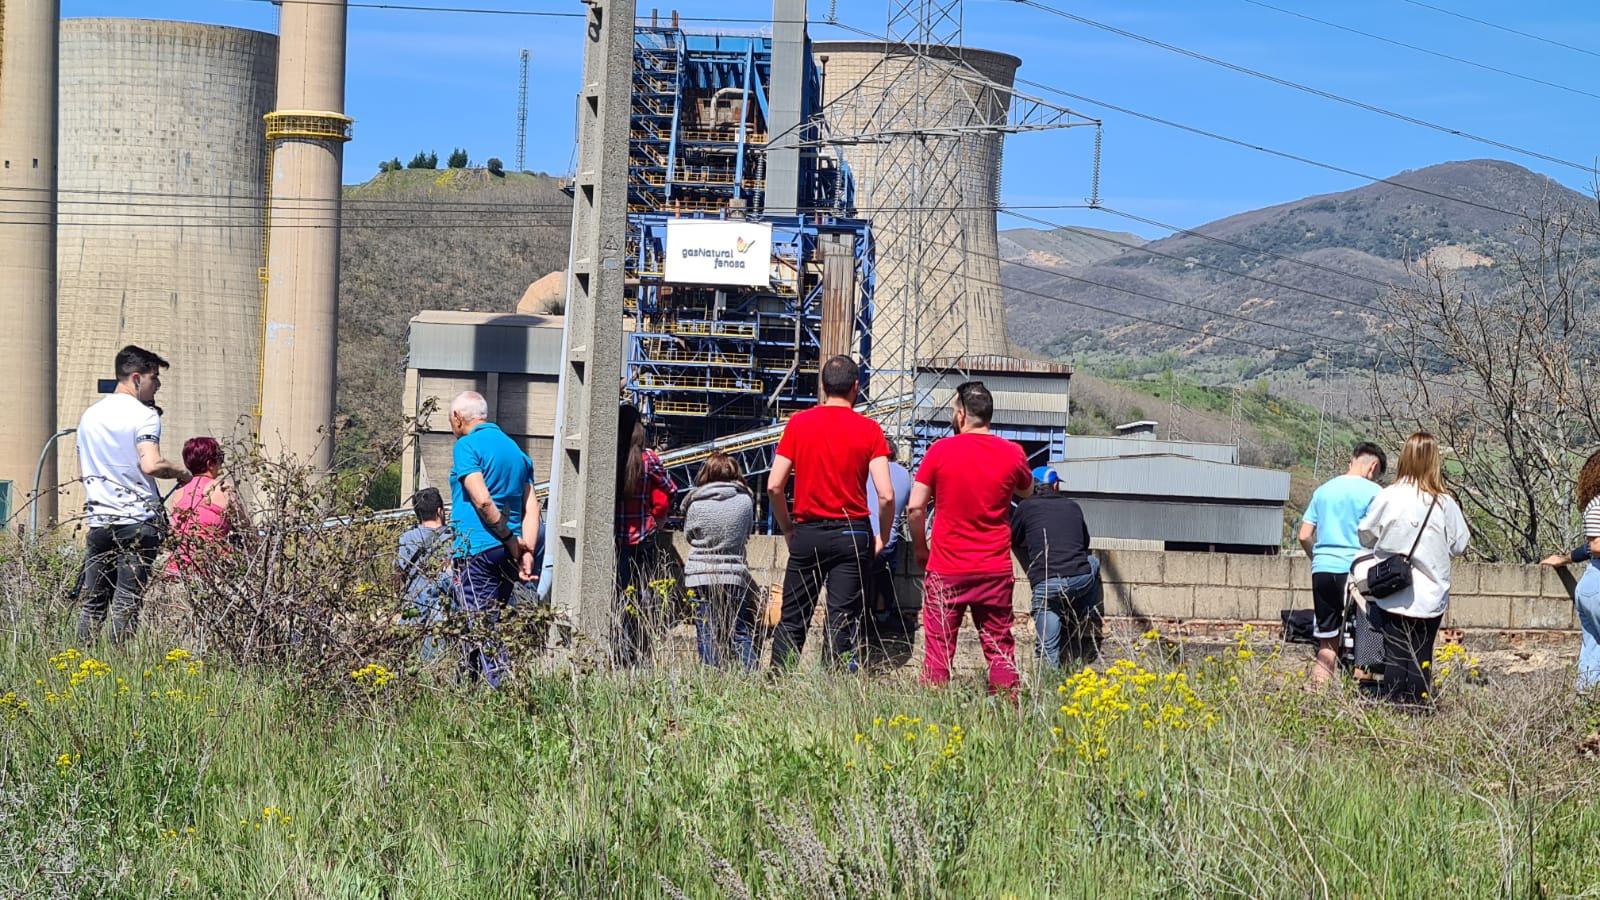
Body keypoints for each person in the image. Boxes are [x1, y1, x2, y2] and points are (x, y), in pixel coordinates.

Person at [767, 355, 895, 671]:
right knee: (843, 618)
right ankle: (836, 690)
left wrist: (787, 529)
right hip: (852, 533)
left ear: (822, 386)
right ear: (856, 387)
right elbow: (886, 494)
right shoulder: (870, 430)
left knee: (793, 617)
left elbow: (773, 486)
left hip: (807, 533)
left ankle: (775, 687)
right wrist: (884, 535)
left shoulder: (798, 424)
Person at [907, 381, 1033, 695]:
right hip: (994, 569)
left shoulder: (940, 451)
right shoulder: (1012, 453)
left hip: (946, 569)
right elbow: (1026, 490)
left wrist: (921, 550)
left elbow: (914, 507)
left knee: (937, 653)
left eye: (953, 411)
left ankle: (933, 725)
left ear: (962, 415)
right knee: (1000, 649)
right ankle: (1006, 719)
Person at [76, 345, 191, 645]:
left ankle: (79, 662)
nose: (159, 385)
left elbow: (81, 474)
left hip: (100, 521)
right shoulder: (145, 415)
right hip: (136, 523)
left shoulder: (89, 416)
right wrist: (181, 473)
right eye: (155, 378)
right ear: (137, 378)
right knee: (126, 602)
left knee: (94, 603)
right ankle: (117, 666)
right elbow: (151, 464)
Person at [1356, 432, 1469, 705]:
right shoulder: (1445, 503)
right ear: (1434, 461)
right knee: (1422, 655)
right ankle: (1419, 708)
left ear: (1404, 457)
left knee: (1395, 654)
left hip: (1392, 589)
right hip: (1431, 594)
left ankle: (1395, 709)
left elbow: (1365, 535)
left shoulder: (1388, 496)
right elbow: (1459, 545)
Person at [448, 391, 539, 687]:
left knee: (484, 626)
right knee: (480, 620)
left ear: (458, 418)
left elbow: (483, 502)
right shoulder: (515, 450)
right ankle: (468, 688)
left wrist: (511, 539)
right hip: (508, 553)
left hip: (477, 548)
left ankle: (503, 691)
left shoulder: (467, 446)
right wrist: (527, 551)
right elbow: (531, 506)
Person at [1297, 442, 1387, 684]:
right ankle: (1362, 702)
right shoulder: (1375, 493)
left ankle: (1319, 696)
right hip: (1357, 574)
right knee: (1365, 644)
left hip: (1323, 569)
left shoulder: (1323, 490)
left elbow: (1304, 535)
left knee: (1327, 642)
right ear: (1373, 467)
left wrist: (1317, 559)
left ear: (1352, 461)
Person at [1011, 465, 1102, 670]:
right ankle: (1078, 615)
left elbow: (1012, 539)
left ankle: (1047, 686)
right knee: (1094, 564)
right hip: (1079, 578)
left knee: (1046, 650)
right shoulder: (1073, 506)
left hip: (1045, 585)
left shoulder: (1025, 507)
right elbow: (1084, 543)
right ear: (1055, 485)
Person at [682, 451, 758, 670]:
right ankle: (750, 676)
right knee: (740, 630)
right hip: (734, 574)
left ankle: (711, 676)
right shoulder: (745, 501)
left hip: (700, 574)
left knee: (706, 630)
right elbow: (747, 533)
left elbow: (689, 534)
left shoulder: (695, 504)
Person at [615, 403, 673, 667]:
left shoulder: (611, 456)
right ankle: (639, 654)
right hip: (643, 538)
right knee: (641, 598)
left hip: (614, 541)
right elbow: (671, 488)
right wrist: (656, 521)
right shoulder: (648, 458)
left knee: (618, 598)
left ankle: (620, 652)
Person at [1539, 449, 1600, 689]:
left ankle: (1585, 710)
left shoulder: (1594, 504)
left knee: (1593, 650)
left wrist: (1565, 558)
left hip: (1592, 586)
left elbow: (1589, 546)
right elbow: (1596, 545)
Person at [395, 487, 452, 662]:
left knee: (406, 662)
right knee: (435, 664)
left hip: (412, 610)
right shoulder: (453, 538)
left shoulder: (406, 538)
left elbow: (398, 573)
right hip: (440, 613)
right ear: (440, 511)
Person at [164, 437, 236, 579]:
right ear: (210, 464)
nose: (221, 465)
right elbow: (245, 527)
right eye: (220, 460)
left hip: (177, 568)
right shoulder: (223, 488)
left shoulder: (180, 490)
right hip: (210, 569)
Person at [866, 438, 914, 633]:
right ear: (894, 455)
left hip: (858, 537)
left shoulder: (863, 470)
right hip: (886, 544)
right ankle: (882, 613)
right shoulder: (904, 475)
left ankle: (854, 614)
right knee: (888, 563)